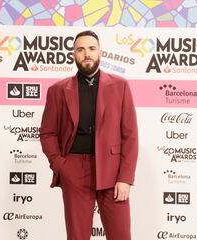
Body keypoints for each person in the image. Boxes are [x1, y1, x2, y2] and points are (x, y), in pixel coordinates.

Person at [40, 30, 138, 240]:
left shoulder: (120, 86)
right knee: (77, 236)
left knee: (121, 235)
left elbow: (130, 135)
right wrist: (60, 166)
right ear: (74, 54)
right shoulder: (57, 90)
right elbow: (47, 133)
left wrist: (125, 178)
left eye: (92, 49)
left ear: (100, 52)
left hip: (113, 172)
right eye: (80, 49)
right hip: (74, 169)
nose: (87, 54)